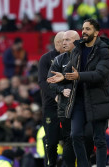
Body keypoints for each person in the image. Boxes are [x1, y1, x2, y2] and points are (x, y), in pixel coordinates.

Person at [47, 18, 109, 167]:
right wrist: (62, 76)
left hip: (97, 99)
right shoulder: (78, 49)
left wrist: (79, 76)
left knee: (99, 139)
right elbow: (70, 70)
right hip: (78, 99)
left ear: (96, 32)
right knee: (75, 135)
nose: (84, 31)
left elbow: (100, 75)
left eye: (88, 29)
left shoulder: (105, 51)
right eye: (83, 29)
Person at [47, 30, 81, 167]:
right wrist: (61, 90)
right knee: (69, 139)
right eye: (63, 40)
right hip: (65, 108)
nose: (64, 43)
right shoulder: (58, 60)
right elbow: (50, 81)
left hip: (82, 105)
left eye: (67, 40)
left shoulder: (84, 57)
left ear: (77, 41)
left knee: (84, 138)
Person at [38, 31, 64, 167]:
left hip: (68, 105)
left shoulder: (72, 57)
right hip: (51, 106)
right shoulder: (46, 58)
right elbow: (42, 82)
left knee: (72, 138)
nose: (66, 43)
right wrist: (55, 96)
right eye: (64, 41)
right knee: (51, 141)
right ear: (57, 42)